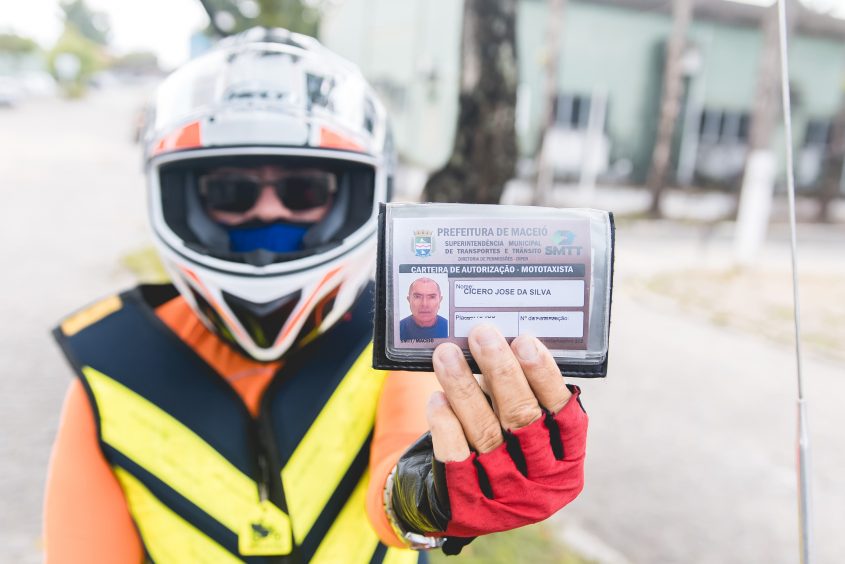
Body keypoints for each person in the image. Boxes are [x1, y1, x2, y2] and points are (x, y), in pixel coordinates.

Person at [44, 27, 588, 563]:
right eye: (231, 191)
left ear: (351, 195)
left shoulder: (401, 337)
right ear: (184, 199)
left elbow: (397, 479)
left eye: (304, 190)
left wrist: (427, 495)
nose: (268, 212)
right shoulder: (111, 371)